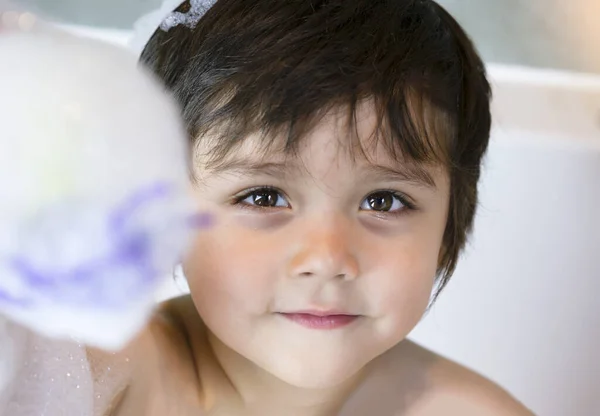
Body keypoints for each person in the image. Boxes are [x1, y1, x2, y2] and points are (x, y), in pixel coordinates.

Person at [12, 0, 537, 414]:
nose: (328, 257)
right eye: (263, 196)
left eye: (385, 200)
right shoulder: (113, 371)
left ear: (448, 227)